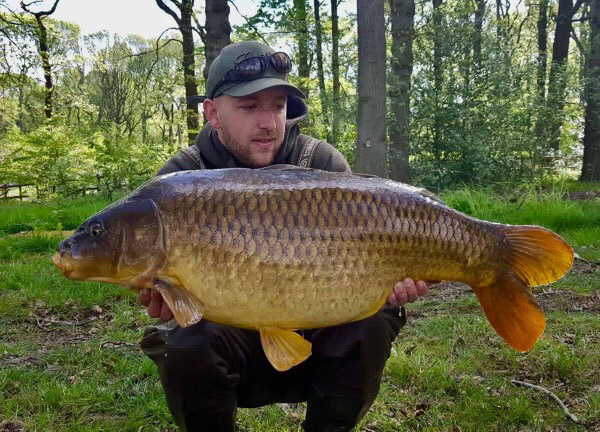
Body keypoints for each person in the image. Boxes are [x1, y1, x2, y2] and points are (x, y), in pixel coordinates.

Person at [139, 41, 428, 432]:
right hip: (230, 345)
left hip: (319, 339)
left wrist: (389, 282)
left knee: (373, 319)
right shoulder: (180, 182)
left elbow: (375, 245)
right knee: (184, 339)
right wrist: (168, 296)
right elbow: (166, 293)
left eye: (277, 105)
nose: (268, 123)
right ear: (212, 113)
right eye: (249, 107)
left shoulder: (321, 164)